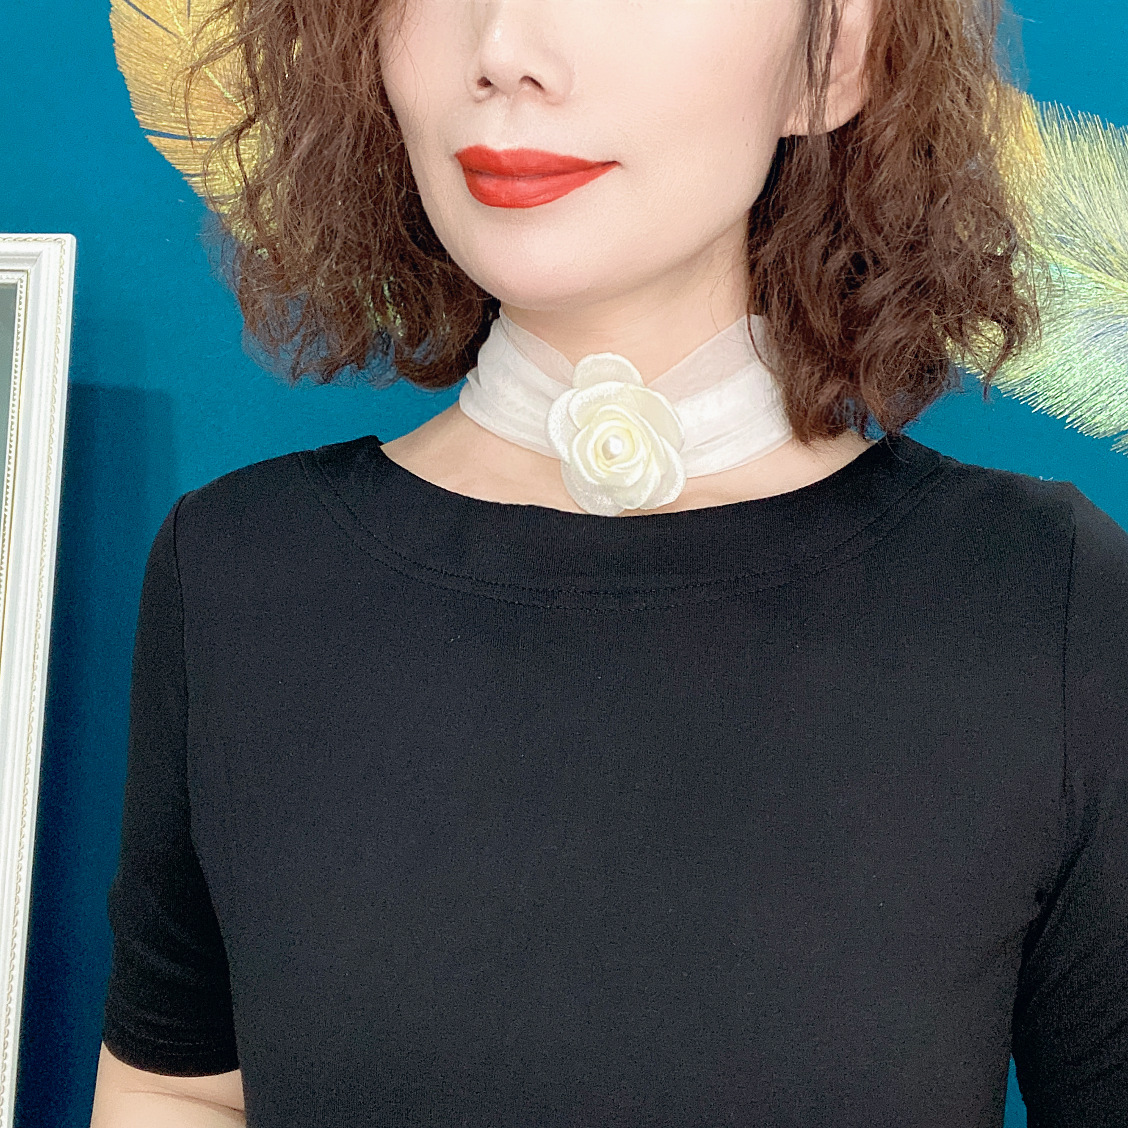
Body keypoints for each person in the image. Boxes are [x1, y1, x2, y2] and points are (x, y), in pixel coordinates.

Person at [90, 0, 1128, 1125]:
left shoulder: (1040, 600)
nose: (503, 52)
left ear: (833, 52)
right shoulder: (236, 575)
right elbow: (177, 1090)